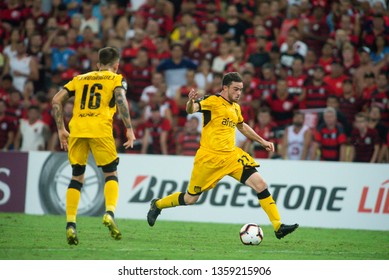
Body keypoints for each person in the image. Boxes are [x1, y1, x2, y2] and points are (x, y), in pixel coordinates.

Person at [147, 72, 299, 239]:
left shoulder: (235, 107)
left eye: (241, 89)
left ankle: (278, 226)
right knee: (191, 199)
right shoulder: (212, 101)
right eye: (235, 89)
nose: (239, 93)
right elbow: (192, 109)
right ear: (225, 88)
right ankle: (158, 204)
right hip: (209, 158)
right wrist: (190, 102)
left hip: (231, 156)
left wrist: (262, 141)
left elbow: (241, 126)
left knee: (261, 184)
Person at [51, 47, 136, 245]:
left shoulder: (79, 79)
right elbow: (121, 99)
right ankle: (109, 213)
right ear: (116, 65)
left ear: (98, 65)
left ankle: (70, 224)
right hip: (100, 129)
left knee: (77, 176)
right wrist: (129, 129)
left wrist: (61, 129)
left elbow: (56, 100)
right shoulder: (116, 78)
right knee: (110, 173)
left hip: (77, 130)